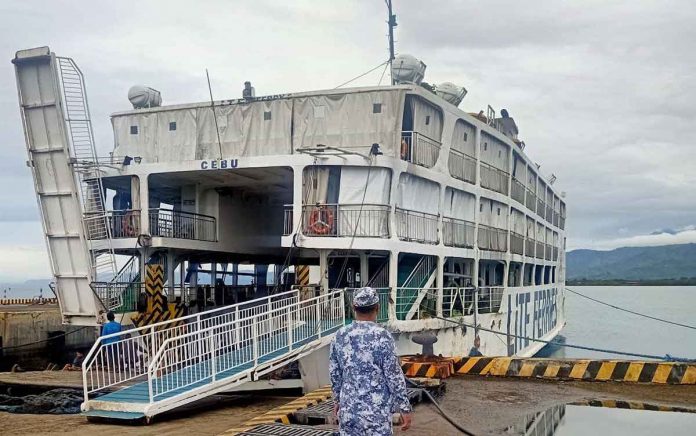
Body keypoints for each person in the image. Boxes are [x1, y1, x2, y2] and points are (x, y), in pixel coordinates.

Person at [329, 287, 412, 435]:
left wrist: (337, 401)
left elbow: (335, 374)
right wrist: (404, 408)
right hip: (376, 417)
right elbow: (394, 376)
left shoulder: (339, 336)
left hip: (349, 413)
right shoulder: (383, 337)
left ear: (354, 308)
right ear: (377, 308)